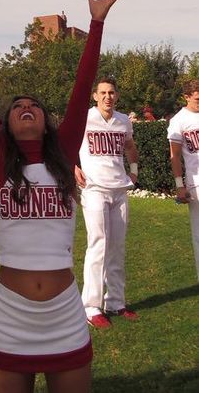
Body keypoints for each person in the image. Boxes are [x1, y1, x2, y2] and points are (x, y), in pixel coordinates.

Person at [0, 0, 125, 393]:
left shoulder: (64, 155)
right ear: (5, 125)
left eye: (34, 106)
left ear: (47, 121)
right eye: (18, 107)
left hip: (65, 315)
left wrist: (96, 23)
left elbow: (82, 86)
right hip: (11, 316)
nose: (26, 107)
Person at [75, 77, 140, 328]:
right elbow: (63, 145)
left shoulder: (123, 120)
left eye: (111, 92)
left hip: (119, 189)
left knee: (117, 246)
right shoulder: (84, 118)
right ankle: (91, 307)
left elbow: (130, 146)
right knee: (98, 245)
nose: (107, 97)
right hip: (94, 189)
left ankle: (115, 301)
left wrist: (133, 171)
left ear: (117, 95)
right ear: (95, 96)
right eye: (102, 92)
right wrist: (72, 168)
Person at [167, 79, 199, 280]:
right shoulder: (179, 121)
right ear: (186, 97)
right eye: (197, 98)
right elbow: (175, 156)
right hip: (196, 181)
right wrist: (180, 186)